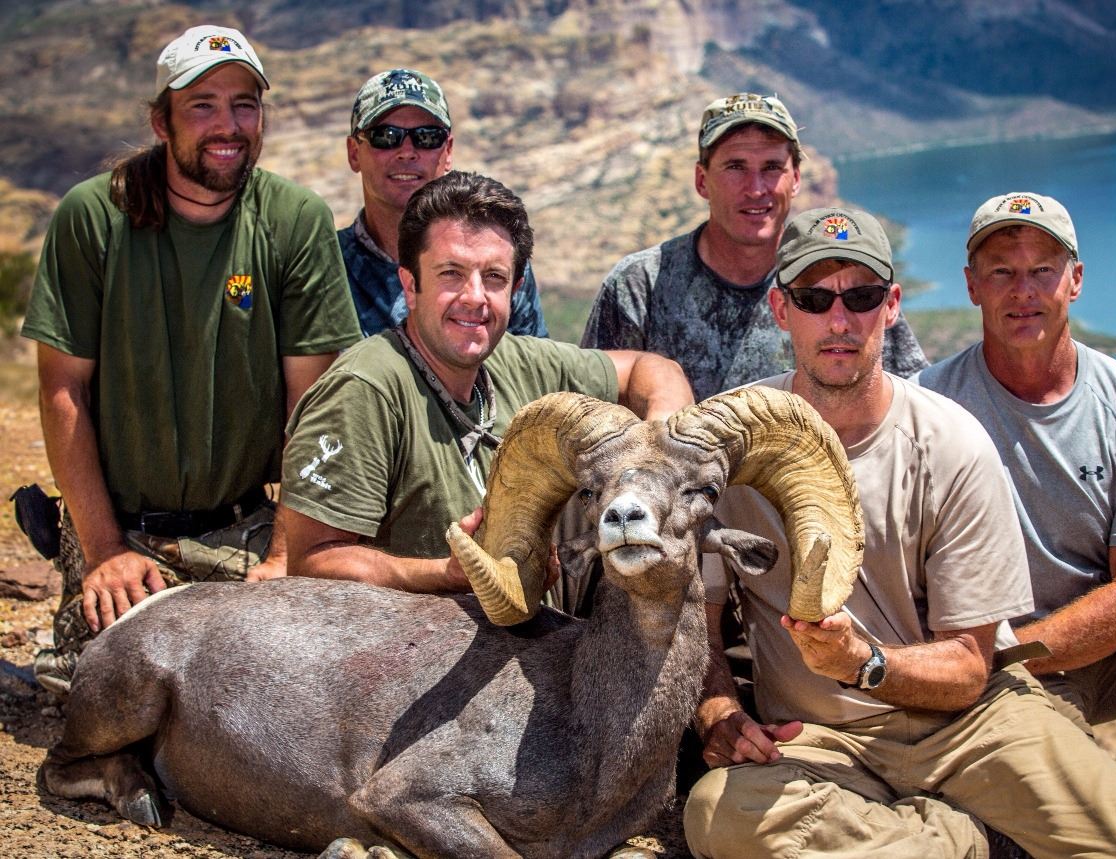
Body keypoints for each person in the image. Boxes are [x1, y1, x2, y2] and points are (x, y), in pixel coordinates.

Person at [683, 207, 1116, 858]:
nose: (839, 321)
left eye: (862, 297)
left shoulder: (951, 442)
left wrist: (862, 662)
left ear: (892, 306)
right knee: (717, 814)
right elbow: (696, 624)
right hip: (821, 740)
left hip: (970, 723)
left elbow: (968, 668)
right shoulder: (733, 442)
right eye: (814, 299)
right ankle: (961, 839)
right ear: (782, 310)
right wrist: (717, 709)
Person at [20, 25, 362, 695]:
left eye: (244, 105)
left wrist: (286, 551)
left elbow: (312, 406)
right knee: (112, 695)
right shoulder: (93, 217)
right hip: (124, 534)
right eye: (202, 105)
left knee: (285, 694)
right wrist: (104, 551)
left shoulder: (294, 221)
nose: (227, 125)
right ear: (162, 121)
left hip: (247, 528)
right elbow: (64, 392)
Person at [280, 170, 692, 590]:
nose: (474, 296)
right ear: (411, 285)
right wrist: (447, 574)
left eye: (493, 277)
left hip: (527, 623)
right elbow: (312, 562)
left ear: (514, 289)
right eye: (451, 273)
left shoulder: (518, 360)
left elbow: (655, 371)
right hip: (408, 630)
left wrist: (658, 455)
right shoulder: (365, 391)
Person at [919, 191, 1116, 792]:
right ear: (972, 286)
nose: (1023, 290)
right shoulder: (927, 408)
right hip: (984, 672)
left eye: (1043, 270)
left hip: (1105, 646)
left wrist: (1007, 650)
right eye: (1002, 272)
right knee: (1057, 797)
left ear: (1075, 280)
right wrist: (968, 663)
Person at [581, 92, 928, 400]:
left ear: (796, 179)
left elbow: (913, 397)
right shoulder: (639, 285)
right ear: (702, 180)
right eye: (736, 167)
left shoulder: (846, 281)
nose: (756, 188)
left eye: (772, 168)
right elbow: (588, 412)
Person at [339, 68, 548, 338]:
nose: (407, 152)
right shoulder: (326, 266)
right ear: (354, 153)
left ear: (447, 151)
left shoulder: (496, 260)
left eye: (427, 137)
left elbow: (532, 360)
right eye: (386, 136)